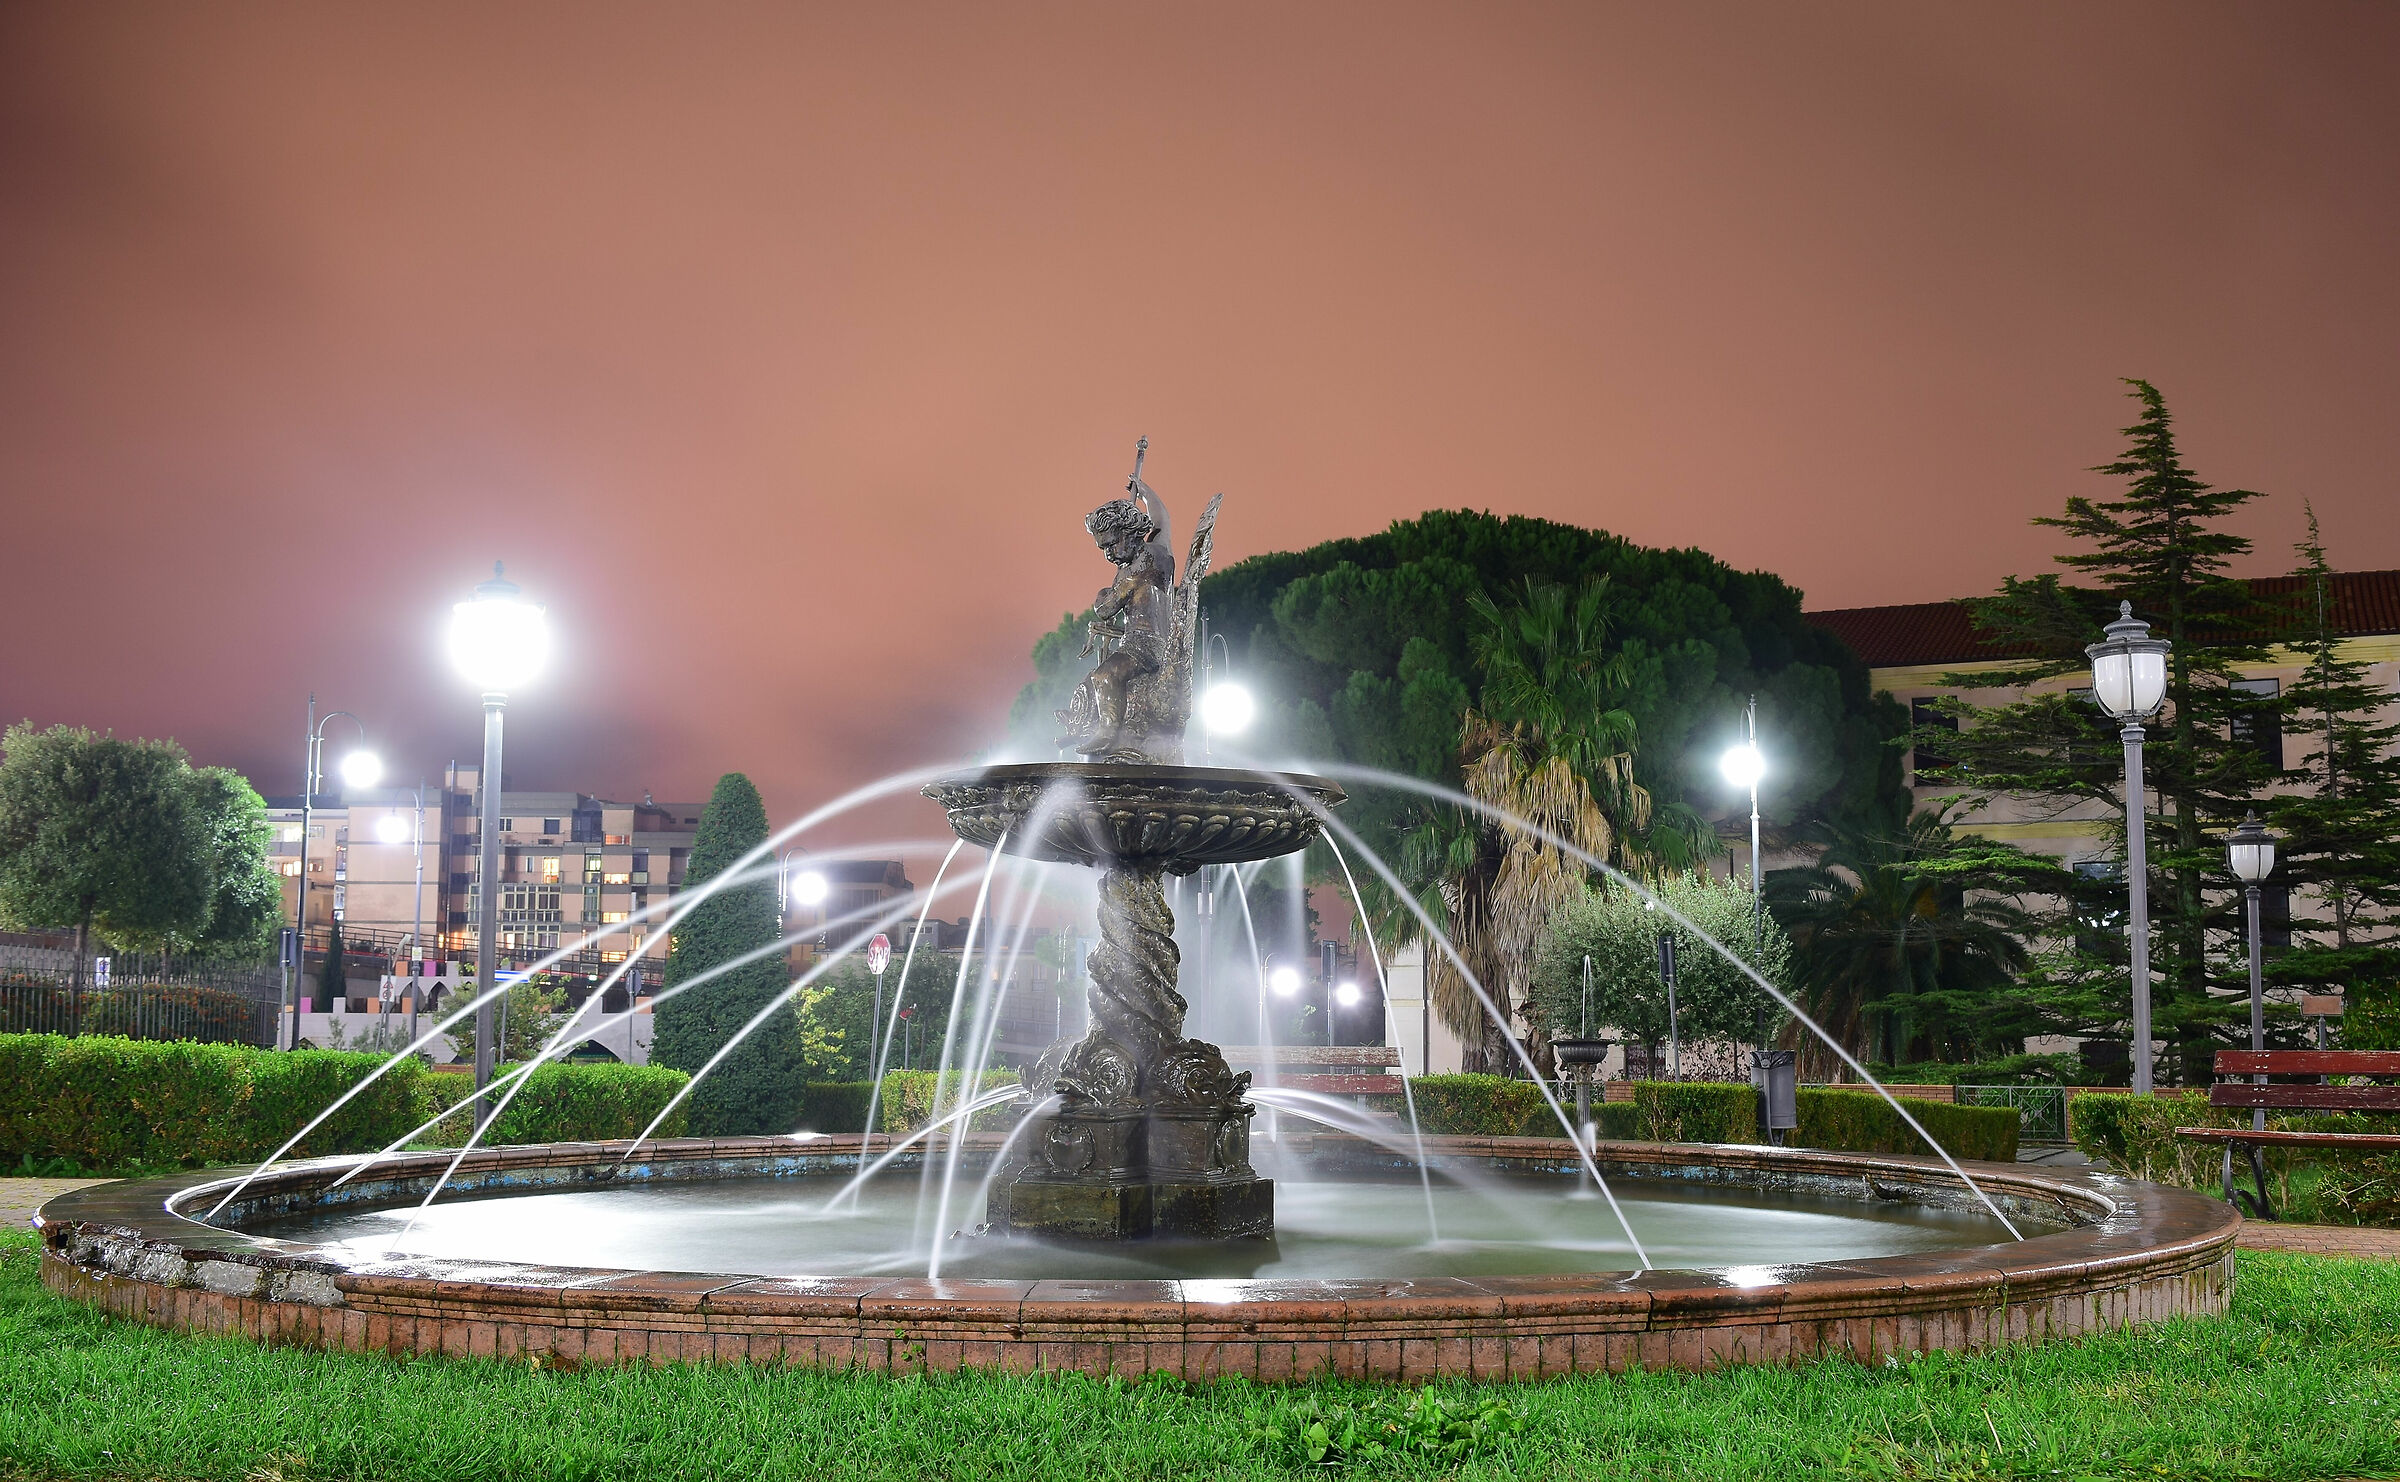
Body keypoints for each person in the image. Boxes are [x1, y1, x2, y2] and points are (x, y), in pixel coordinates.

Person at [1060, 497, 1177, 757]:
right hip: (1135, 643)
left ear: (1131, 533)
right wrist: (1147, 494)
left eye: (1112, 543)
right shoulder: (1155, 553)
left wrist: (1103, 594)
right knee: (1091, 679)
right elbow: (1162, 523)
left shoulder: (1135, 572)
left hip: (1147, 644)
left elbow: (1105, 609)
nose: (1108, 553)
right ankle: (1082, 725)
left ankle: (1107, 734)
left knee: (1105, 676)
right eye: (1103, 548)